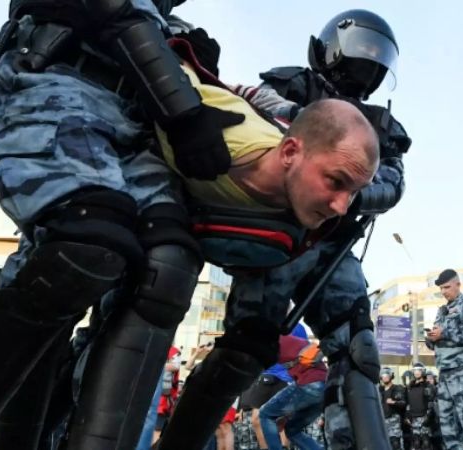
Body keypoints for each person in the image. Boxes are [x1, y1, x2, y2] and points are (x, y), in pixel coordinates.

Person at [0, 1, 242, 448]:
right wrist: (185, 115)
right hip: (64, 93)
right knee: (86, 245)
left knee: (170, 266)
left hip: (139, 127)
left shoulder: (179, 31)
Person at [172, 9, 409, 449]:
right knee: (246, 348)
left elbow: (393, 185)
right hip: (278, 239)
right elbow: (262, 119)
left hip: (334, 245)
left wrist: (345, 191)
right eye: (365, 49)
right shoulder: (291, 84)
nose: (368, 61)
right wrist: (311, 122)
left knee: (358, 353)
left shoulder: (381, 125)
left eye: (378, 55)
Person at [424, 269, 463, 450]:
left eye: (446, 287)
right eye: (441, 289)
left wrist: (444, 333)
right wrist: (431, 339)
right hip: (444, 375)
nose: (444, 292)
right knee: (449, 429)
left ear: (458, 284)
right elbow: (436, 343)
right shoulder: (442, 311)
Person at [258, 333, 327, 450]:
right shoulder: (296, 341)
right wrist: (285, 416)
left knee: (265, 414)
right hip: (324, 387)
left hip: (309, 383)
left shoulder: (270, 341)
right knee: (292, 430)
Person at [405, 363, 435, 450]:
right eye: (415, 370)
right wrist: (407, 415)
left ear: (423, 371)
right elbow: (408, 403)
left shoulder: (428, 386)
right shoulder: (410, 387)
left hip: (424, 418)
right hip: (413, 419)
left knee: (426, 443)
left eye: (419, 370)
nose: (417, 372)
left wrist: (428, 416)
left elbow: (431, 403)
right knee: (416, 443)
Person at [379, 367, 406, 450]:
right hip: (382, 421)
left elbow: (403, 403)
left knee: (395, 444)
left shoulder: (397, 388)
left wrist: (394, 402)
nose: (385, 376)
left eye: (387, 374)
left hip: (394, 421)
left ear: (391, 376)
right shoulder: (379, 390)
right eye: (383, 375)